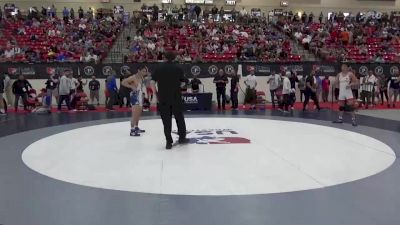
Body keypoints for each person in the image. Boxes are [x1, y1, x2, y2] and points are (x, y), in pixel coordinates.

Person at [151, 51, 187, 150]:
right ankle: (182, 138)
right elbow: (183, 83)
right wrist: (176, 86)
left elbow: (152, 81)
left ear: (164, 57)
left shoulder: (158, 68)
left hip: (163, 97)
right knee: (179, 117)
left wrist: (155, 94)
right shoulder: (178, 68)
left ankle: (168, 142)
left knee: (166, 120)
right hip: (176, 96)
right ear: (174, 57)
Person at [121, 66, 150, 137]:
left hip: (140, 96)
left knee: (139, 113)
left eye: (145, 71)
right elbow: (123, 82)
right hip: (135, 96)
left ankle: (136, 127)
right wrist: (131, 87)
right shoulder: (133, 77)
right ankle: (132, 130)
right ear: (138, 71)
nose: (145, 72)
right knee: (134, 114)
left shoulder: (141, 77)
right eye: (143, 71)